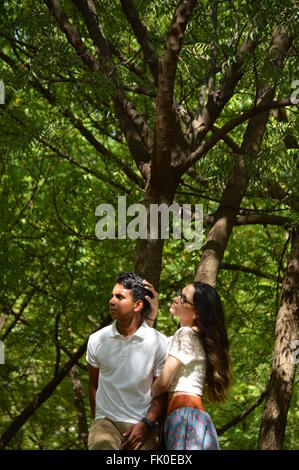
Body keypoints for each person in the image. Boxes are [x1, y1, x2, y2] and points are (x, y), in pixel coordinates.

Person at [143, 279, 231, 450]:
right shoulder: (194, 337)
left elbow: (163, 383)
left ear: (196, 312)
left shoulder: (185, 334)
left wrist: (142, 397)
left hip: (184, 418)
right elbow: (151, 343)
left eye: (183, 299)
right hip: (196, 419)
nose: (177, 299)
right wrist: (152, 313)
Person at [86, 272, 168, 450]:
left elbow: (160, 393)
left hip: (143, 426)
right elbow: (93, 385)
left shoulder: (160, 342)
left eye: (119, 297)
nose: (111, 301)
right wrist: (99, 420)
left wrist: (147, 424)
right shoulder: (96, 340)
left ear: (138, 305)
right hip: (106, 425)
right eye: (112, 295)